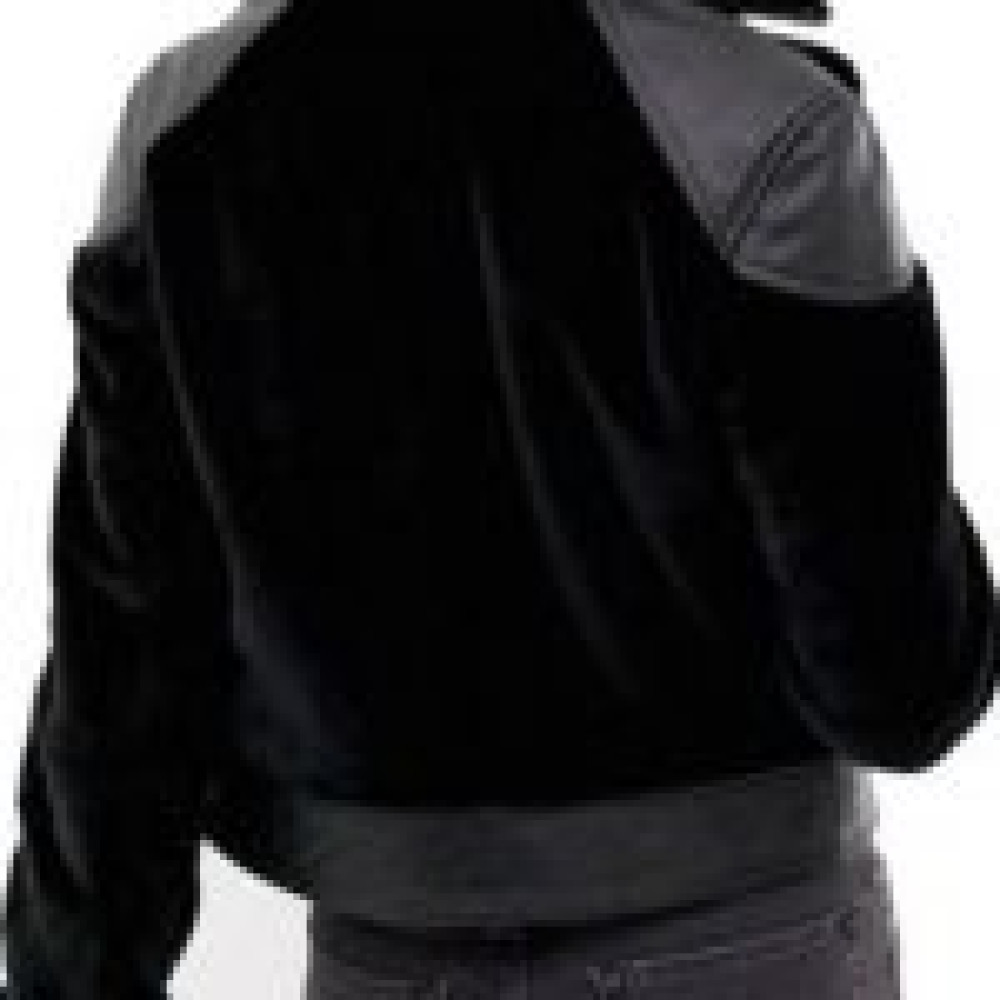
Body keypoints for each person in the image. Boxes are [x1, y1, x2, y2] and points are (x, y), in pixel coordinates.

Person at [2, 0, 997, 996]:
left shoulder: (179, 126)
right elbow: (899, 686)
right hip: (739, 930)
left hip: (385, 946)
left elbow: (121, 649)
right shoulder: (769, 131)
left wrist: (71, 970)